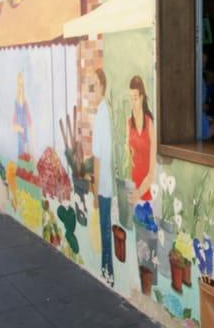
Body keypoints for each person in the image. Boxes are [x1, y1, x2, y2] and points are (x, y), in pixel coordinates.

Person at [91, 68, 115, 287]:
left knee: (105, 231)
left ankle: (107, 273)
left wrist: (95, 190)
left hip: (104, 184)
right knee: (107, 230)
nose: (92, 92)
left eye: (94, 86)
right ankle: (107, 271)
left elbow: (97, 157)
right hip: (110, 183)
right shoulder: (107, 111)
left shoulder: (100, 113)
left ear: (102, 86)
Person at [127, 76, 156, 205]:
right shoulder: (128, 124)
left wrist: (139, 193)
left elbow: (151, 171)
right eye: (130, 98)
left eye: (135, 98)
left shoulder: (150, 124)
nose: (133, 103)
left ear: (142, 98)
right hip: (132, 191)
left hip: (147, 192)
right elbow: (128, 164)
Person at [12, 72, 32, 158]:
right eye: (19, 85)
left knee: (26, 149)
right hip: (19, 131)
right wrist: (16, 127)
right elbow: (14, 117)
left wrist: (28, 126)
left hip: (25, 130)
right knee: (20, 149)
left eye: (22, 85)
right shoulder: (16, 102)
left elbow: (29, 118)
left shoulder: (25, 102)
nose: (21, 87)